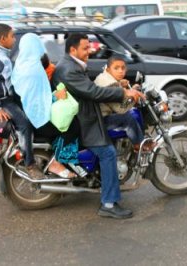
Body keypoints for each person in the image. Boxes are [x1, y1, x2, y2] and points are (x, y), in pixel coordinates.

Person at [53, 33, 144, 219]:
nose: (90, 51)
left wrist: (119, 84)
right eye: (85, 48)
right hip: (84, 120)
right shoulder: (69, 69)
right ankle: (108, 204)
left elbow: (89, 86)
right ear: (73, 49)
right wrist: (122, 93)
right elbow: (92, 92)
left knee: (124, 121)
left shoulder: (72, 65)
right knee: (108, 153)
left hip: (86, 115)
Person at [0, 24, 44, 179]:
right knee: (24, 125)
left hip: (6, 96)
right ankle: (29, 163)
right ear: (3, 39)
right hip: (2, 101)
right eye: (12, 36)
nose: (14, 40)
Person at [11, 33, 79, 179]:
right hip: (37, 119)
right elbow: (38, 100)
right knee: (72, 126)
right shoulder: (34, 70)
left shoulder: (21, 64)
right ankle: (56, 162)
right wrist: (56, 97)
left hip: (26, 115)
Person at [95, 56, 155, 152]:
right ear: (108, 69)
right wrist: (133, 98)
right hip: (101, 120)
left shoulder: (103, 76)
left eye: (123, 68)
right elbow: (121, 108)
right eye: (116, 68)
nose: (120, 71)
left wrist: (125, 87)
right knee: (128, 118)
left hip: (97, 116)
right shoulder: (111, 83)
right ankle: (138, 144)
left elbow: (116, 92)